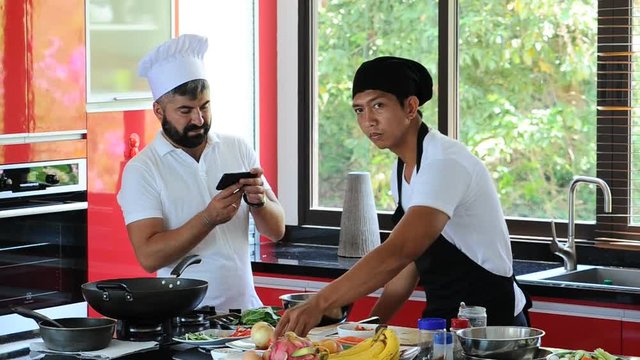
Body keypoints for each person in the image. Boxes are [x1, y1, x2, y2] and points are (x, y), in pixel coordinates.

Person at [274, 56, 530, 337]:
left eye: (378, 105)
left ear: (410, 107)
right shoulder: (405, 169)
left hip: (492, 327)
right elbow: (407, 267)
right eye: (359, 110)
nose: (368, 120)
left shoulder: (444, 162)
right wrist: (369, 329)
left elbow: (400, 250)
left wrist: (320, 302)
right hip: (445, 323)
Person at [117, 34, 285, 312]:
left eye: (205, 107)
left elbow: (276, 231)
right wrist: (208, 218)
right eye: (185, 110)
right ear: (159, 111)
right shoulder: (143, 170)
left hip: (246, 315)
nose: (199, 120)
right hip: (185, 320)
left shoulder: (237, 147)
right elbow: (149, 257)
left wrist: (259, 203)